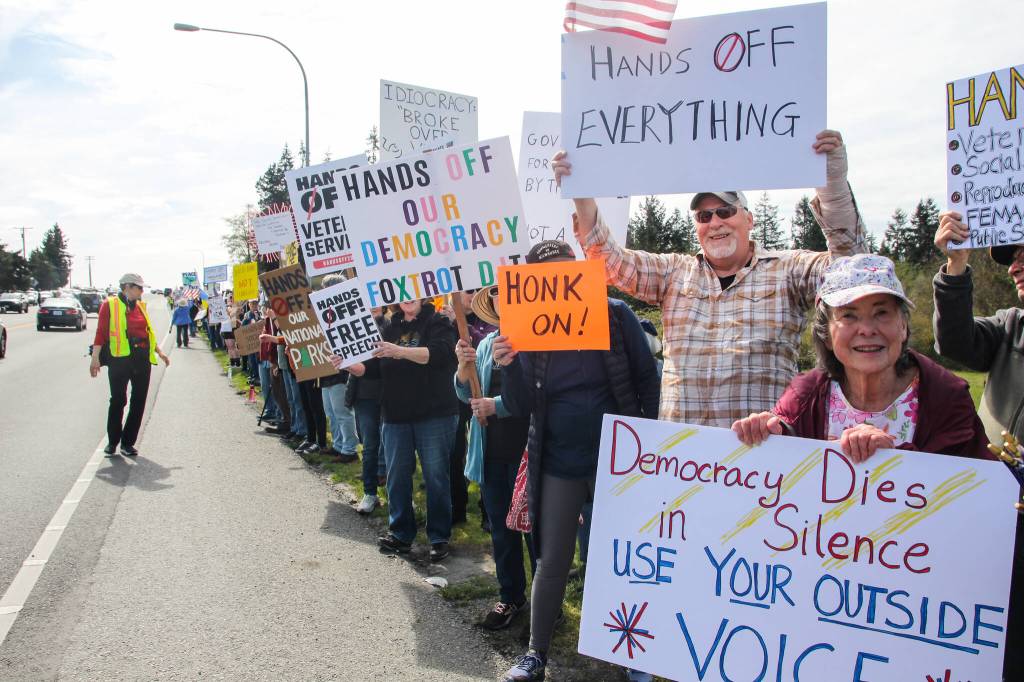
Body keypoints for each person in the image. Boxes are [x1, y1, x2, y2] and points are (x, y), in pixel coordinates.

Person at [551, 130, 865, 425]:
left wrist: (832, 181)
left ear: (749, 218)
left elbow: (851, 268)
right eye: (704, 216)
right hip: (683, 464)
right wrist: (582, 193)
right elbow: (610, 262)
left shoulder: (788, 270)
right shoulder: (674, 272)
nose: (715, 222)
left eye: (725, 211)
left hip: (763, 460)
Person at [494, 241, 660, 682]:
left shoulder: (616, 315)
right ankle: (536, 655)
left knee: (621, 558)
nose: (557, 281)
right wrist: (509, 364)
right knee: (552, 559)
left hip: (619, 462)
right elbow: (517, 402)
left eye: (565, 271)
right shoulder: (525, 329)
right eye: (546, 274)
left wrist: (649, 446)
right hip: (559, 462)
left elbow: (648, 379)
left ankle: (632, 652)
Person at [732, 254, 990, 460]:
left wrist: (894, 462)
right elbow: (778, 472)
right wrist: (767, 434)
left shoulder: (946, 398)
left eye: (882, 313)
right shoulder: (804, 397)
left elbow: (975, 494)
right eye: (849, 316)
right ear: (827, 335)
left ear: (903, 326)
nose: (867, 329)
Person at [932, 217, 1024, 680]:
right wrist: (956, 264)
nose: (1015, 268)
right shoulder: (1010, 327)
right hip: (996, 511)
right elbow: (955, 341)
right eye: (1013, 259)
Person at [454, 286, 535, 631]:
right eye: (499, 291)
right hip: (491, 455)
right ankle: (511, 596)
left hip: (530, 457)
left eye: (511, 289)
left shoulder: (538, 343)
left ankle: (549, 603)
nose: (505, 296)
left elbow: (538, 396)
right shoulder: (485, 345)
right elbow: (464, 394)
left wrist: (495, 406)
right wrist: (462, 368)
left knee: (537, 534)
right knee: (502, 531)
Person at [376, 299, 459, 562]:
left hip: (434, 413)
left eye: (413, 289)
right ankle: (400, 533)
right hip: (395, 415)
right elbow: (373, 366)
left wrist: (398, 352)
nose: (408, 296)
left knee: (436, 477)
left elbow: (440, 354)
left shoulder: (439, 322)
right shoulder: (388, 326)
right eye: (402, 290)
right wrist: (348, 364)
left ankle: (438, 537)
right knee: (397, 475)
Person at [90, 273, 170, 457]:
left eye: (142, 288)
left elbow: (148, 332)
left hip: (141, 358)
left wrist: (160, 352)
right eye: (139, 288)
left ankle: (128, 443)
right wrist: (95, 358)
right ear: (127, 287)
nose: (142, 291)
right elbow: (101, 333)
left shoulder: (141, 306)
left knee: (139, 400)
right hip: (119, 359)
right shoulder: (109, 305)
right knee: (118, 400)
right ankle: (113, 441)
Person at [335, 307, 389, 513]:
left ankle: (397, 493)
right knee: (369, 446)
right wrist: (345, 363)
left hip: (391, 395)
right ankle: (370, 493)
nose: (372, 305)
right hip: (364, 396)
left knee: (393, 446)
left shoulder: (391, 325)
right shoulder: (352, 327)